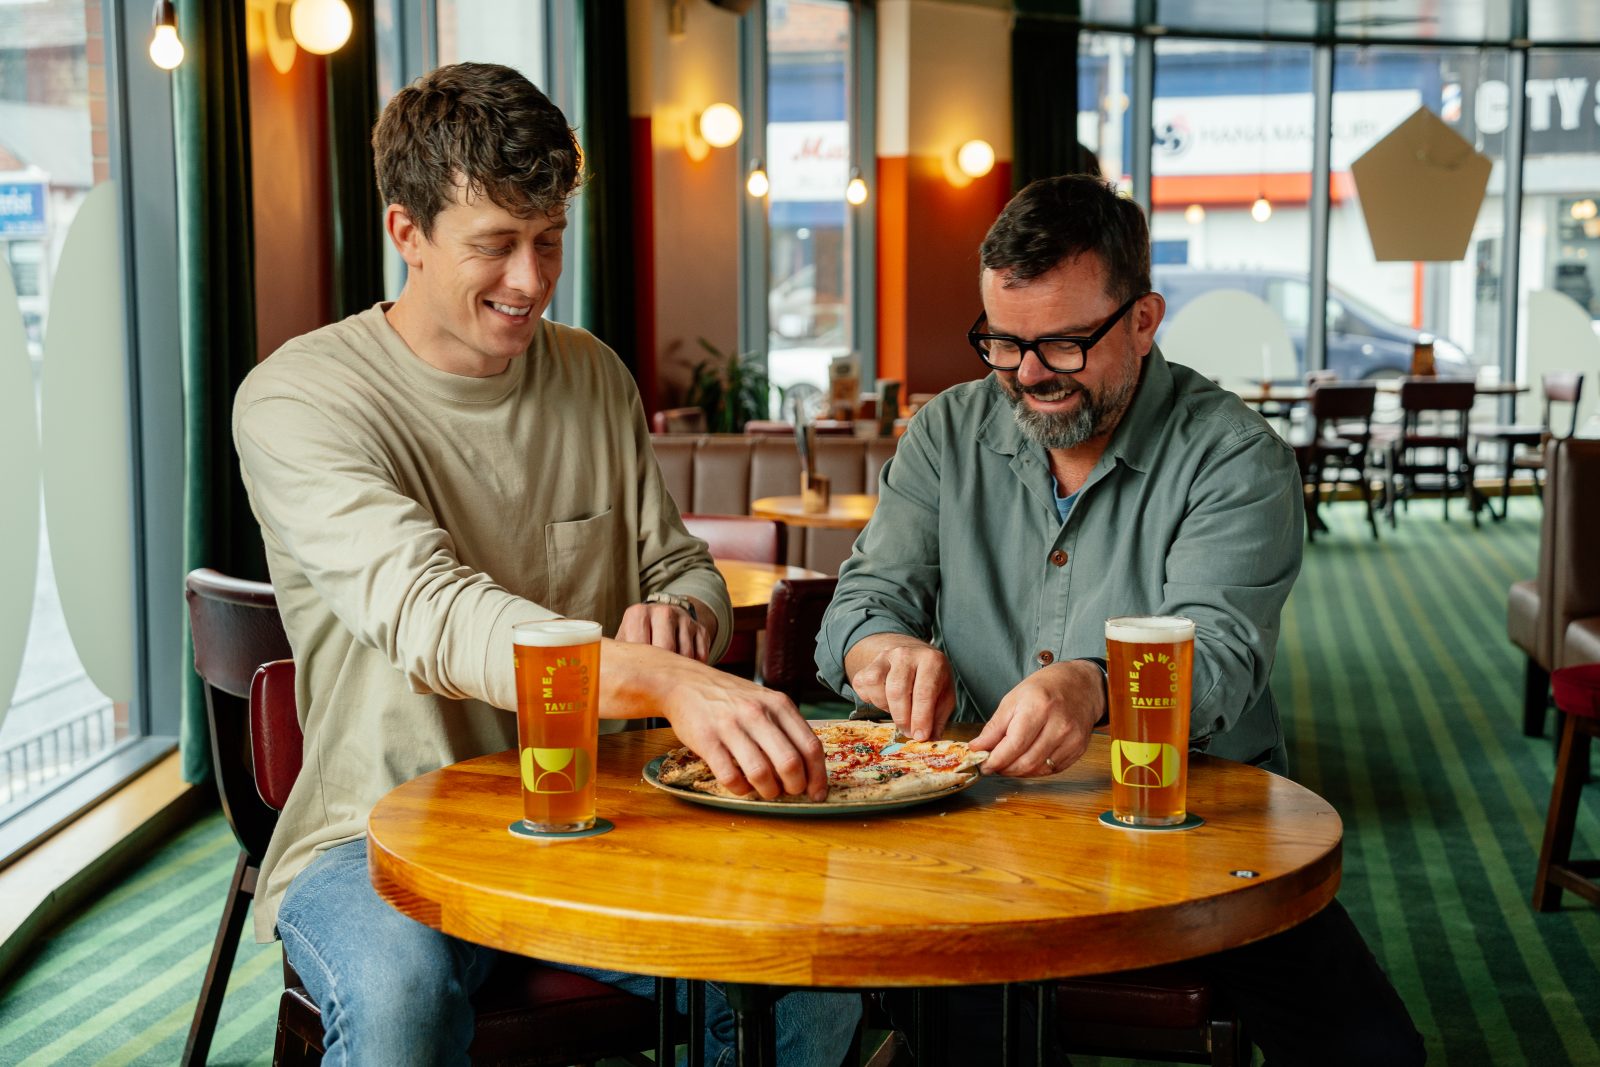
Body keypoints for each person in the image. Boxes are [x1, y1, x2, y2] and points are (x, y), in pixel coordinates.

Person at [233, 62, 857, 1066]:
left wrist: (682, 619)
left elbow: (677, 564)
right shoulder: (297, 398)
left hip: (600, 811)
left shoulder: (593, 373)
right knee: (399, 1004)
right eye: (495, 245)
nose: (531, 279)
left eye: (549, 239)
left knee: (804, 976)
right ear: (407, 234)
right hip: (376, 830)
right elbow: (430, 610)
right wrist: (656, 678)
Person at [817, 174, 1424, 1065]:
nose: (1027, 375)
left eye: (1063, 344)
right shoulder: (946, 433)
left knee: (1375, 1054)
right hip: (973, 828)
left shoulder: (1235, 456)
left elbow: (1217, 657)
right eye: (1003, 342)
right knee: (971, 1031)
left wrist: (1094, 685)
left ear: (1143, 320)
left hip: (1202, 823)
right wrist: (883, 650)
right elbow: (859, 609)